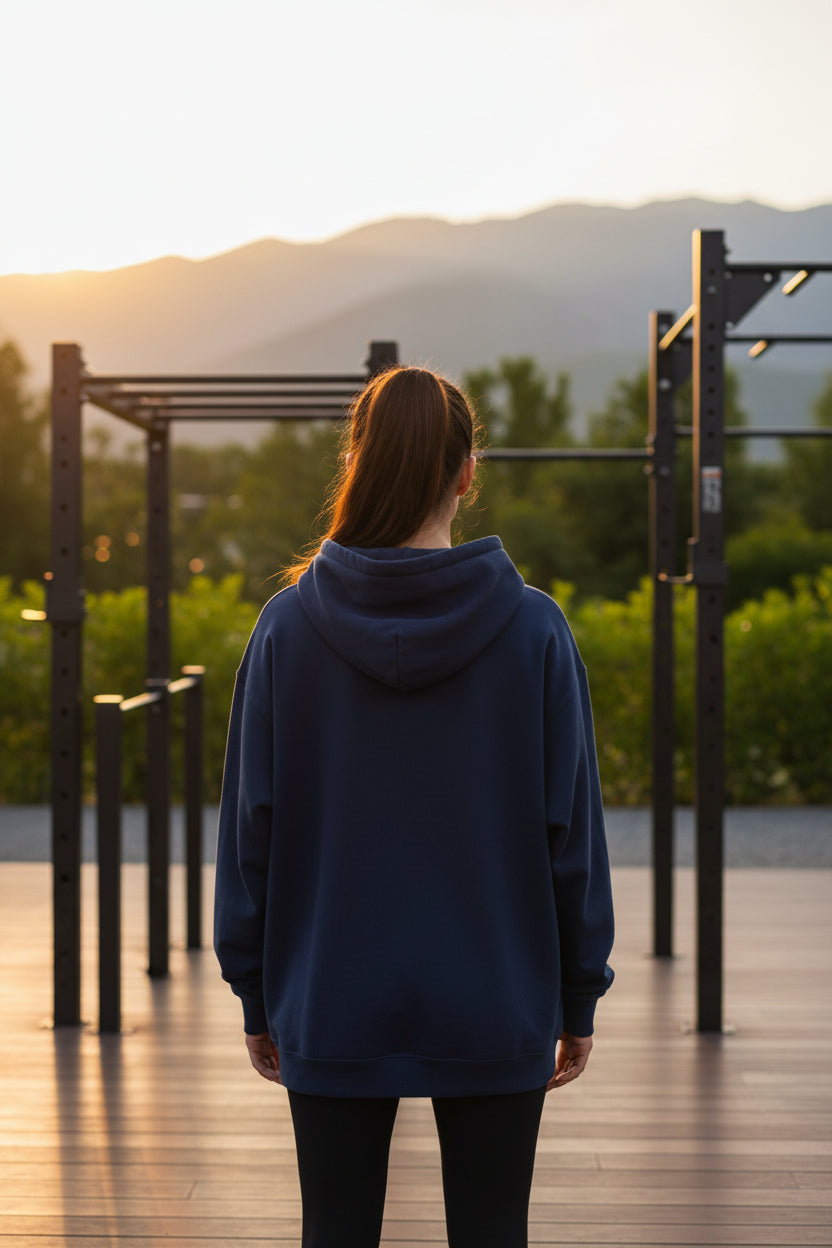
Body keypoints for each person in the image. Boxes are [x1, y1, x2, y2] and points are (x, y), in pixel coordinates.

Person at [214, 365, 615, 1248]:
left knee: (338, 1230)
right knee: (490, 1232)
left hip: (329, 997)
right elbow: (572, 835)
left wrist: (253, 989)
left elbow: (251, 830)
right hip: (498, 999)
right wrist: (578, 994)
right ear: (468, 472)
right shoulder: (537, 629)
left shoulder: (286, 628)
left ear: (356, 461)